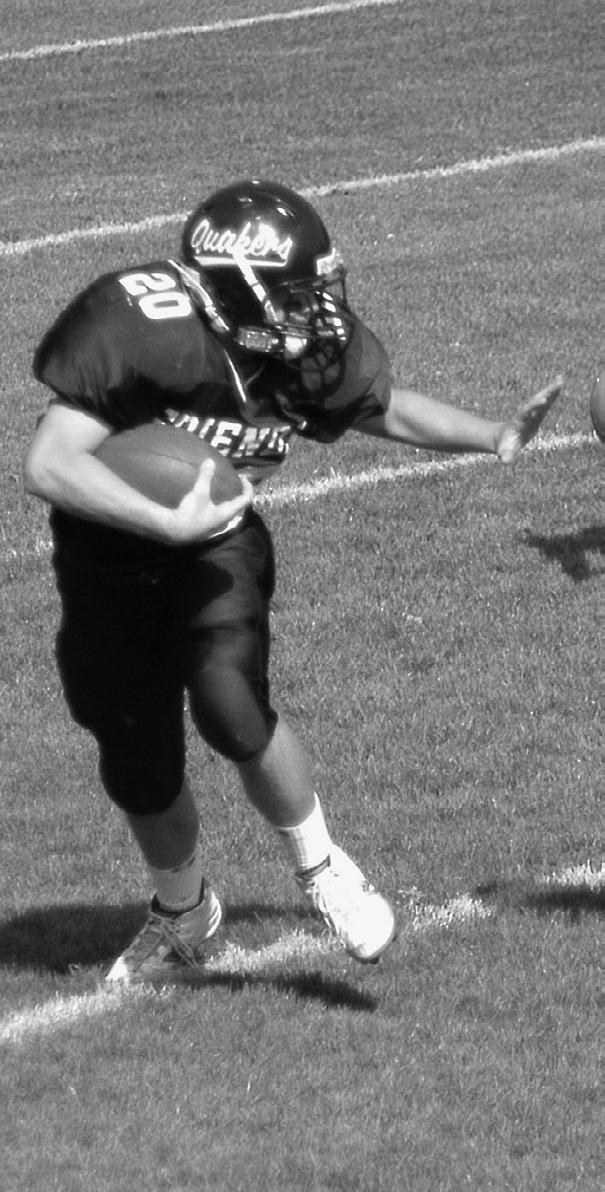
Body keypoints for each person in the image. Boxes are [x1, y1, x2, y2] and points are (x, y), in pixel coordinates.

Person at [24, 179, 562, 984]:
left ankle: (323, 870)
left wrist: (491, 435)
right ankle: (184, 912)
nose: (320, 309)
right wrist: (163, 520)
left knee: (229, 701)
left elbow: (378, 406)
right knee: (136, 754)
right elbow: (49, 463)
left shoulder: (298, 346)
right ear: (239, 290)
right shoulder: (138, 325)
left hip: (218, 542)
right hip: (107, 557)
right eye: (298, 292)